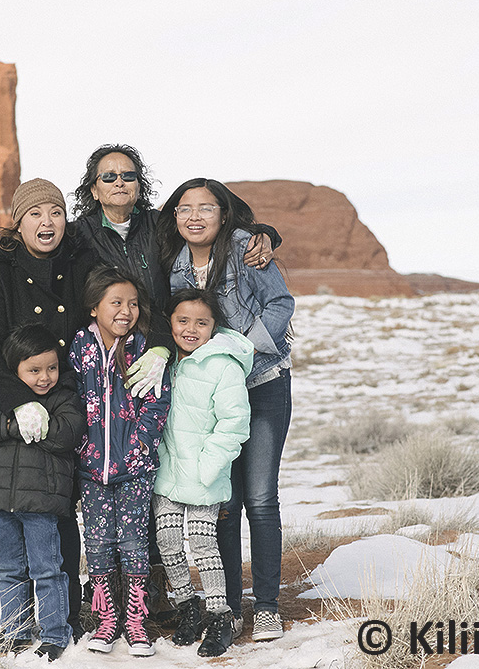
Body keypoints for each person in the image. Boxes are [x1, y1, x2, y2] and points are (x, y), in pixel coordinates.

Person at [0, 144, 282, 399]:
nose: (119, 182)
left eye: (128, 175)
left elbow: (209, 228)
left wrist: (265, 234)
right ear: (94, 190)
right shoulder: (78, 233)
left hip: (164, 345)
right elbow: (17, 245)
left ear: (139, 185)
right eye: (108, 177)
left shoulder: (160, 224)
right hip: (110, 354)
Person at [0, 178, 98, 642]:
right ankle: (18, 626)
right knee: (11, 525)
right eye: (35, 214)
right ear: (19, 222)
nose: (47, 222)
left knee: (60, 511)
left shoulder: (82, 259)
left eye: (55, 212)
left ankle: (62, 623)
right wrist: (20, 404)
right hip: (4, 391)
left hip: (65, 392)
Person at [156, 178, 295, 643]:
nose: (194, 216)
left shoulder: (244, 249)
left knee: (260, 497)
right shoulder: (173, 264)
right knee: (225, 503)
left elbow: (281, 303)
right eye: (185, 208)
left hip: (262, 384)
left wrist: (242, 352)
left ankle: (267, 606)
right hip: (208, 393)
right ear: (175, 216)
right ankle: (230, 607)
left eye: (206, 208)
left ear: (223, 214)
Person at [0, 324, 85, 661]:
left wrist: (26, 425)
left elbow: (67, 433)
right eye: (34, 370)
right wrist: (13, 424)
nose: (45, 377)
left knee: (47, 570)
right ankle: (15, 630)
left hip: (41, 503)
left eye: (51, 368)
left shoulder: (64, 395)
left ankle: (55, 633)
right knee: (8, 569)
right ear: (14, 369)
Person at [68, 266, 170, 656]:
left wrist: (140, 444)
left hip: (135, 469)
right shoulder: (79, 346)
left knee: (134, 543)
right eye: (116, 303)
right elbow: (70, 396)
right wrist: (81, 444)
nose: (126, 311)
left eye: (133, 303)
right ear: (94, 307)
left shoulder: (143, 347)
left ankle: (135, 621)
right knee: (97, 543)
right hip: (92, 468)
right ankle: (107, 619)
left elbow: (158, 400)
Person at [153, 288, 252, 657]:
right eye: (182, 320)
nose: (190, 329)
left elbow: (234, 423)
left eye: (201, 323)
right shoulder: (163, 361)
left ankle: (220, 615)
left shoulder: (223, 366)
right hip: (167, 472)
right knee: (166, 541)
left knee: (202, 543)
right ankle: (187, 607)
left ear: (214, 327)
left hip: (204, 474)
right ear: (170, 322)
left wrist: (208, 467)